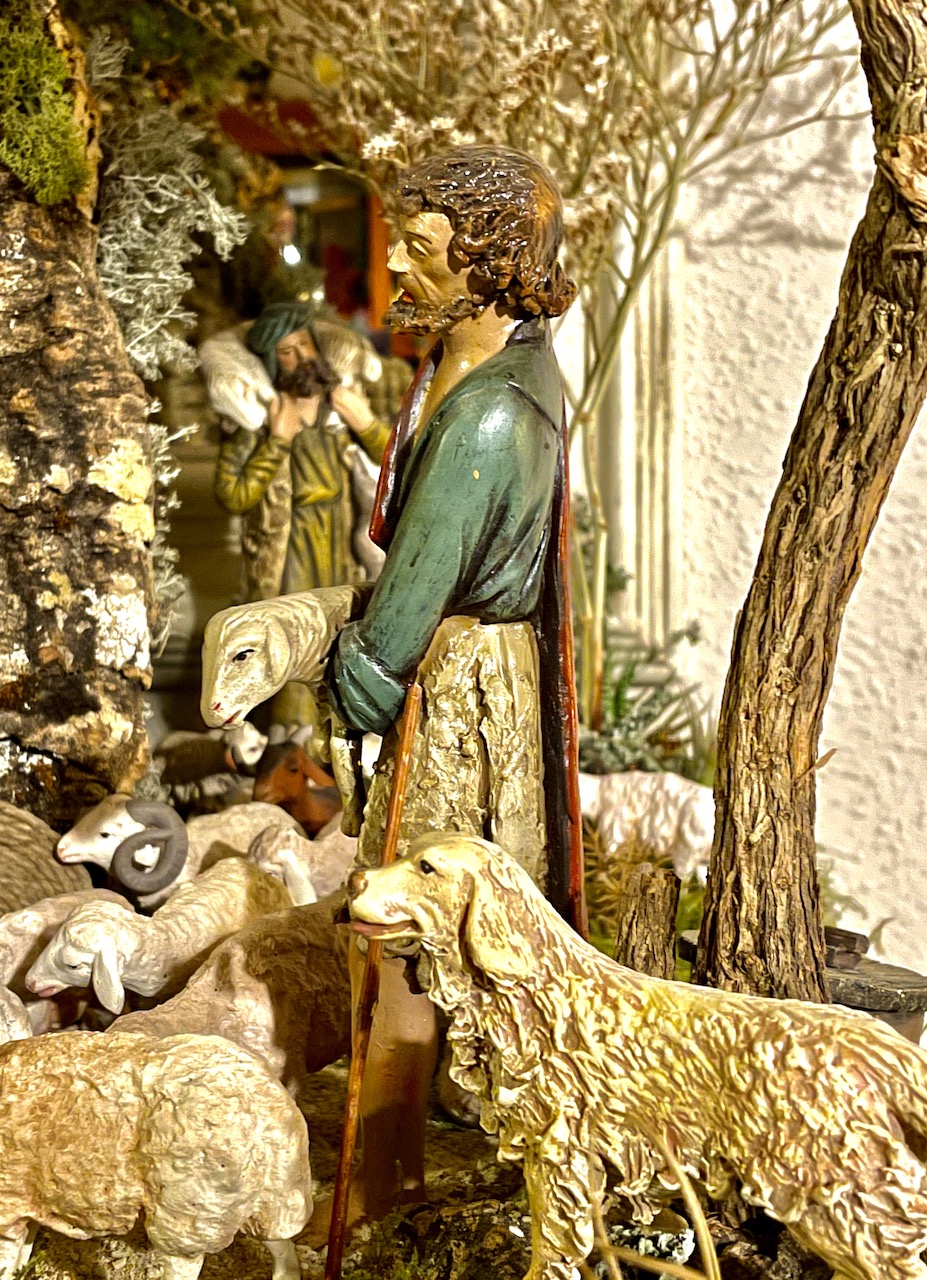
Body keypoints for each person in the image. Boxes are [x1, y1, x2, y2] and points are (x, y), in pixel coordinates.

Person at [323, 145, 585, 1230]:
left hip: (458, 688)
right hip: (475, 669)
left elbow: (400, 619)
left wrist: (353, 680)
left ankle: (388, 1176)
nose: (396, 264)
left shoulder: (488, 413)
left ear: (488, 263)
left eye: (422, 247)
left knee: (410, 923)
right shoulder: (474, 371)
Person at [209, 303, 392, 726]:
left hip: (340, 544)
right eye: (288, 352)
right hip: (288, 552)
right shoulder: (257, 422)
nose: (303, 357)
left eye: (306, 344)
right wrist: (277, 441)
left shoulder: (341, 412)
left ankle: (339, 730)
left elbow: (397, 464)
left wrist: (367, 425)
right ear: (273, 363)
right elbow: (233, 495)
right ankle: (290, 739)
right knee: (290, 641)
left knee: (339, 639)